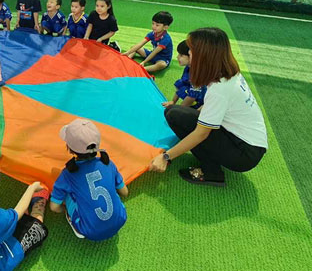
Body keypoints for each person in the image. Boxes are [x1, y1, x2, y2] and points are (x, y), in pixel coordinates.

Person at [149, 27, 267, 187]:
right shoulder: (229, 73)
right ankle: (213, 160)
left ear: (203, 55)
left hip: (244, 153)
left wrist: (166, 157)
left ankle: (212, 172)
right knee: (176, 113)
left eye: (190, 51)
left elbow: (201, 134)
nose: (188, 53)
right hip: (250, 143)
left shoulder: (220, 89)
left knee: (178, 117)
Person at [50, 119, 128, 240]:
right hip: (121, 219)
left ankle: (75, 220)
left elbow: (54, 207)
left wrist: (65, 208)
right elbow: (124, 192)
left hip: (90, 231)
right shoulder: (108, 163)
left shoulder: (67, 174)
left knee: (68, 195)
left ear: (69, 148)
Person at [162, 40, 207, 110]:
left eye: (181, 55)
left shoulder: (197, 73)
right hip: (192, 93)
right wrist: (173, 101)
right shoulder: (188, 67)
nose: (177, 57)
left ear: (192, 56)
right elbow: (181, 83)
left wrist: (179, 109)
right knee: (180, 83)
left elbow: (192, 97)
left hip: (201, 102)